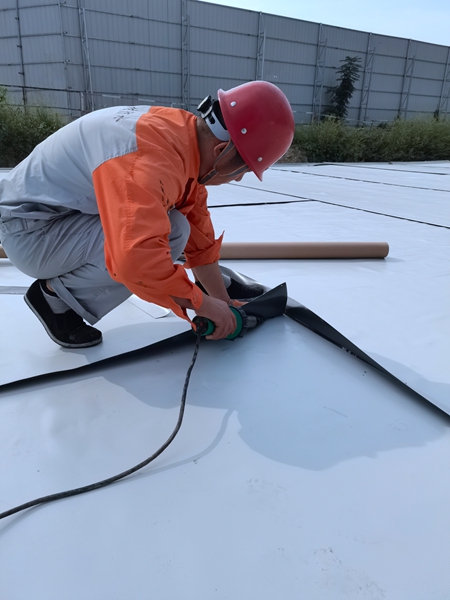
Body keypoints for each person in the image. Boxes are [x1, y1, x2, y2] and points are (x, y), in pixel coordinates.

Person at [0, 81, 294, 348]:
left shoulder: (181, 138)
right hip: (31, 234)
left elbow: (199, 239)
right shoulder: (147, 161)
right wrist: (201, 304)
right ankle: (55, 299)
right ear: (221, 151)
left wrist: (222, 301)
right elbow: (136, 260)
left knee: (178, 227)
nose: (239, 178)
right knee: (160, 238)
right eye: (243, 169)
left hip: (53, 218)